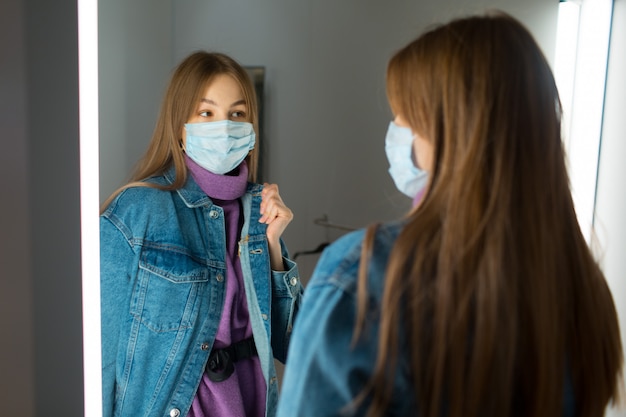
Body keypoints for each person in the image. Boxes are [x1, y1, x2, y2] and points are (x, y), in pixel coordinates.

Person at [276, 11, 623, 417]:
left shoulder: (366, 274)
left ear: (452, 132)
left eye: (405, 120)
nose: (397, 134)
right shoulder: (578, 283)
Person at [100, 51, 303, 417]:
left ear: (252, 129)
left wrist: (273, 245)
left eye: (237, 114)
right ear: (179, 125)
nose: (223, 127)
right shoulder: (135, 212)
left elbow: (295, 347)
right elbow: (101, 355)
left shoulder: (259, 212)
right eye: (206, 113)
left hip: (251, 403)